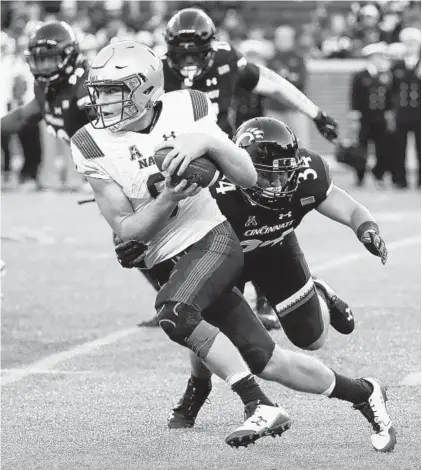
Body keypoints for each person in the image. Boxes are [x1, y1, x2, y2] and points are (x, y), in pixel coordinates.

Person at [105, 70, 395, 450]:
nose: (275, 185)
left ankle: (321, 310)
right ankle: (205, 388)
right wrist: (131, 244)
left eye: (282, 174)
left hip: (276, 251)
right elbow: (153, 216)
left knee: (312, 338)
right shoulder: (215, 188)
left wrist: (367, 228)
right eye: (265, 175)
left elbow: (350, 207)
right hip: (225, 255)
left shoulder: (307, 173)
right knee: (204, 321)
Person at [70, 39, 290, 448]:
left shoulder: (188, 105)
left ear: (146, 88)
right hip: (157, 245)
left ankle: (251, 402)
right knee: (238, 341)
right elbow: (127, 226)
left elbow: (247, 176)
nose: (103, 100)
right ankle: (360, 392)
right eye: (100, 90)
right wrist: (166, 198)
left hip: (210, 229)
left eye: (115, 90)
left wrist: (208, 144)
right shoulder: (89, 142)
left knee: (180, 312)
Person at [139, 7, 339, 327]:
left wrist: (315, 113)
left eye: (196, 55)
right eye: (182, 55)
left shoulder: (226, 59)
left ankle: (265, 297)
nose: (189, 63)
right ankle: (176, 295)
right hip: (175, 157)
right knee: (149, 233)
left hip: (224, 156)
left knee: (253, 219)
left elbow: (271, 83)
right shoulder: (155, 70)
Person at [0, 21, 91, 182]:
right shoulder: (49, 87)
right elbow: (22, 117)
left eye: (51, 59)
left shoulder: (84, 85)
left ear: (68, 54)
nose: (45, 66)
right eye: (40, 60)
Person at [349, 42, 395, 188]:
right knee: (362, 148)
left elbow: (389, 97)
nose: (379, 60)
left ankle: (379, 176)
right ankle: (360, 177)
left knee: (382, 148)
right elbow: (354, 96)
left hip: (380, 117)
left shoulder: (385, 75)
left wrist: (389, 113)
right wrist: (354, 116)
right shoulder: (360, 75)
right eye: (376, 57)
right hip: (365, 117)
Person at [390, 27, 421, 189]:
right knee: (398, 146)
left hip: (419, 112)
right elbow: (392, 89)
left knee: (420, 147)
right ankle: (400, 180)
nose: (411, 46)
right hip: (402, 112)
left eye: (414, 43)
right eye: (408, 43)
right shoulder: (397, 66)